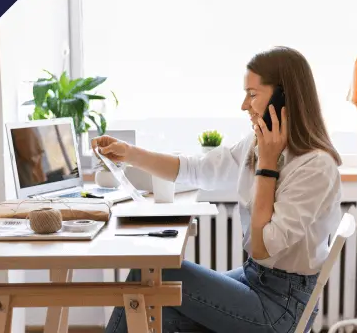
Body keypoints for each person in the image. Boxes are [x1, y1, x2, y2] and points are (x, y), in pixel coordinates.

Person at [93, 46, 343, 333]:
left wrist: (267, 167)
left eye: (252, 94)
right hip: (256, 281)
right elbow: (196, 169)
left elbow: (262, 249)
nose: (244, 105)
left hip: (281, 309)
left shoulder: (315, 167)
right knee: (150, 313)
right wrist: (129, 154)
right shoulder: (258, 143)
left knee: (151, 274)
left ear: (282, 97)